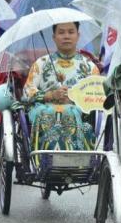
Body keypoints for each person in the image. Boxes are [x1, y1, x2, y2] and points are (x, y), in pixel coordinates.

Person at [22, 21, 100, 151]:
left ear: (78, 35)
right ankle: (43, 158)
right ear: (54, 37)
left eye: (71, 32)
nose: (66, 36)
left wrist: (73, 99)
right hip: (44, 109)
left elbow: (97, 96)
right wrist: (50, 96)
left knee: (70, 111)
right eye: (61, 32)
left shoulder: (89, 67)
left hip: (78, 112)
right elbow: (26, 93)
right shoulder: (41, 63)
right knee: (49, 112)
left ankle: (76, 160)